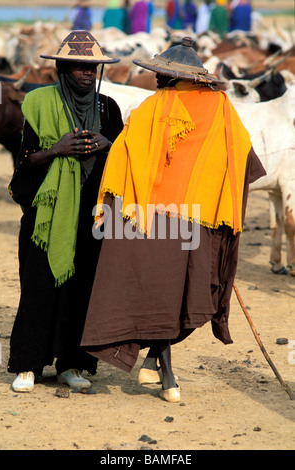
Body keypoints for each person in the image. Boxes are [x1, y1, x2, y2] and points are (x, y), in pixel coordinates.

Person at [80, 37, 266, 403]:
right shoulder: (222, 109)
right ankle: (164, 370)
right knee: (191, 296)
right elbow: (244, 160)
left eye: (157, 76)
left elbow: (123, 156)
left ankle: (156, 362)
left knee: (157, 294)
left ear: (164, 77)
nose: (154, 82)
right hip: (200, 219)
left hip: (149, 219)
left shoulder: (151, 109)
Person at [7, 31, 124, 392]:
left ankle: (71, 365)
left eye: (93, 67)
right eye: (79, 66)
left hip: (90, 214)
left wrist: (109, 145)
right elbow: (24, 159)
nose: (87, 73)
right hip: (49, 211)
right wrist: (56, 150)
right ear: (62, 67)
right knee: (39, 285)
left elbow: (125, 159)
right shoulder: (39, 102)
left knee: (81, 288)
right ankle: (28, 365)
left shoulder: (108, 108)